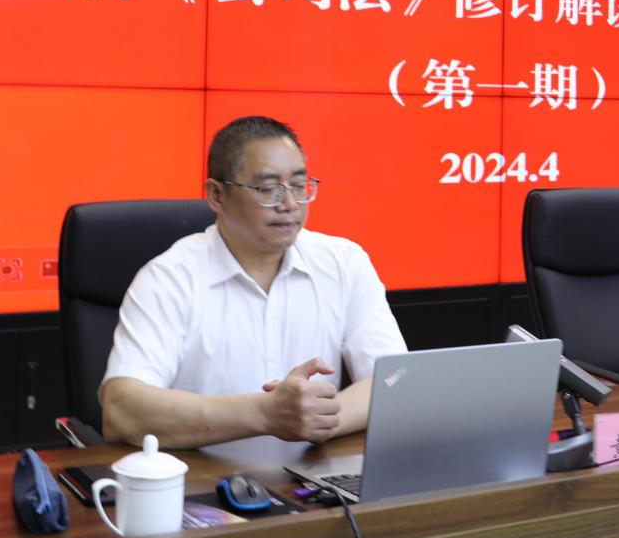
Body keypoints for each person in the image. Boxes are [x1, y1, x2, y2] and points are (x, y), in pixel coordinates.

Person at [100, 116, 407, 447]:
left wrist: (314, 418)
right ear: (217, 195)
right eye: (268, 189)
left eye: (299, 186)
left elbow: (396, 379)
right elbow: (121, 411)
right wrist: (265, 414)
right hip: (205, 475)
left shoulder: (344, 263)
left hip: (315, 472)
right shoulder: (169, 279)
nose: (289, 204)